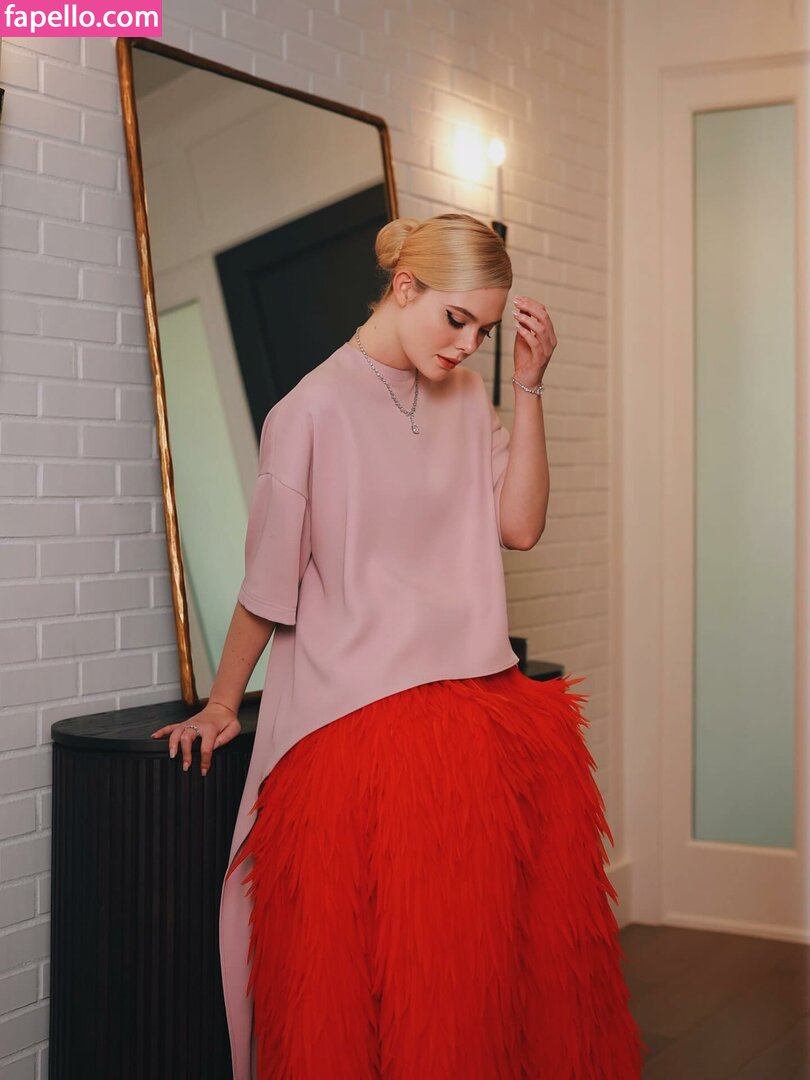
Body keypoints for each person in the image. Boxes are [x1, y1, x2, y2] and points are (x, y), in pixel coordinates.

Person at [151, 213, 648, 1078]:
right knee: (395, 992)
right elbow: (267, 586)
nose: (467, 345)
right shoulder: (308, 411)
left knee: (489, 983)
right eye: (457, 319)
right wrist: (224, 701)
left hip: (483, 714)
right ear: (405, 286)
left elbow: (520, 526)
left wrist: (530, 388)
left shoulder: (468, 396)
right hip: (365, 724)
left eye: (483, 330)